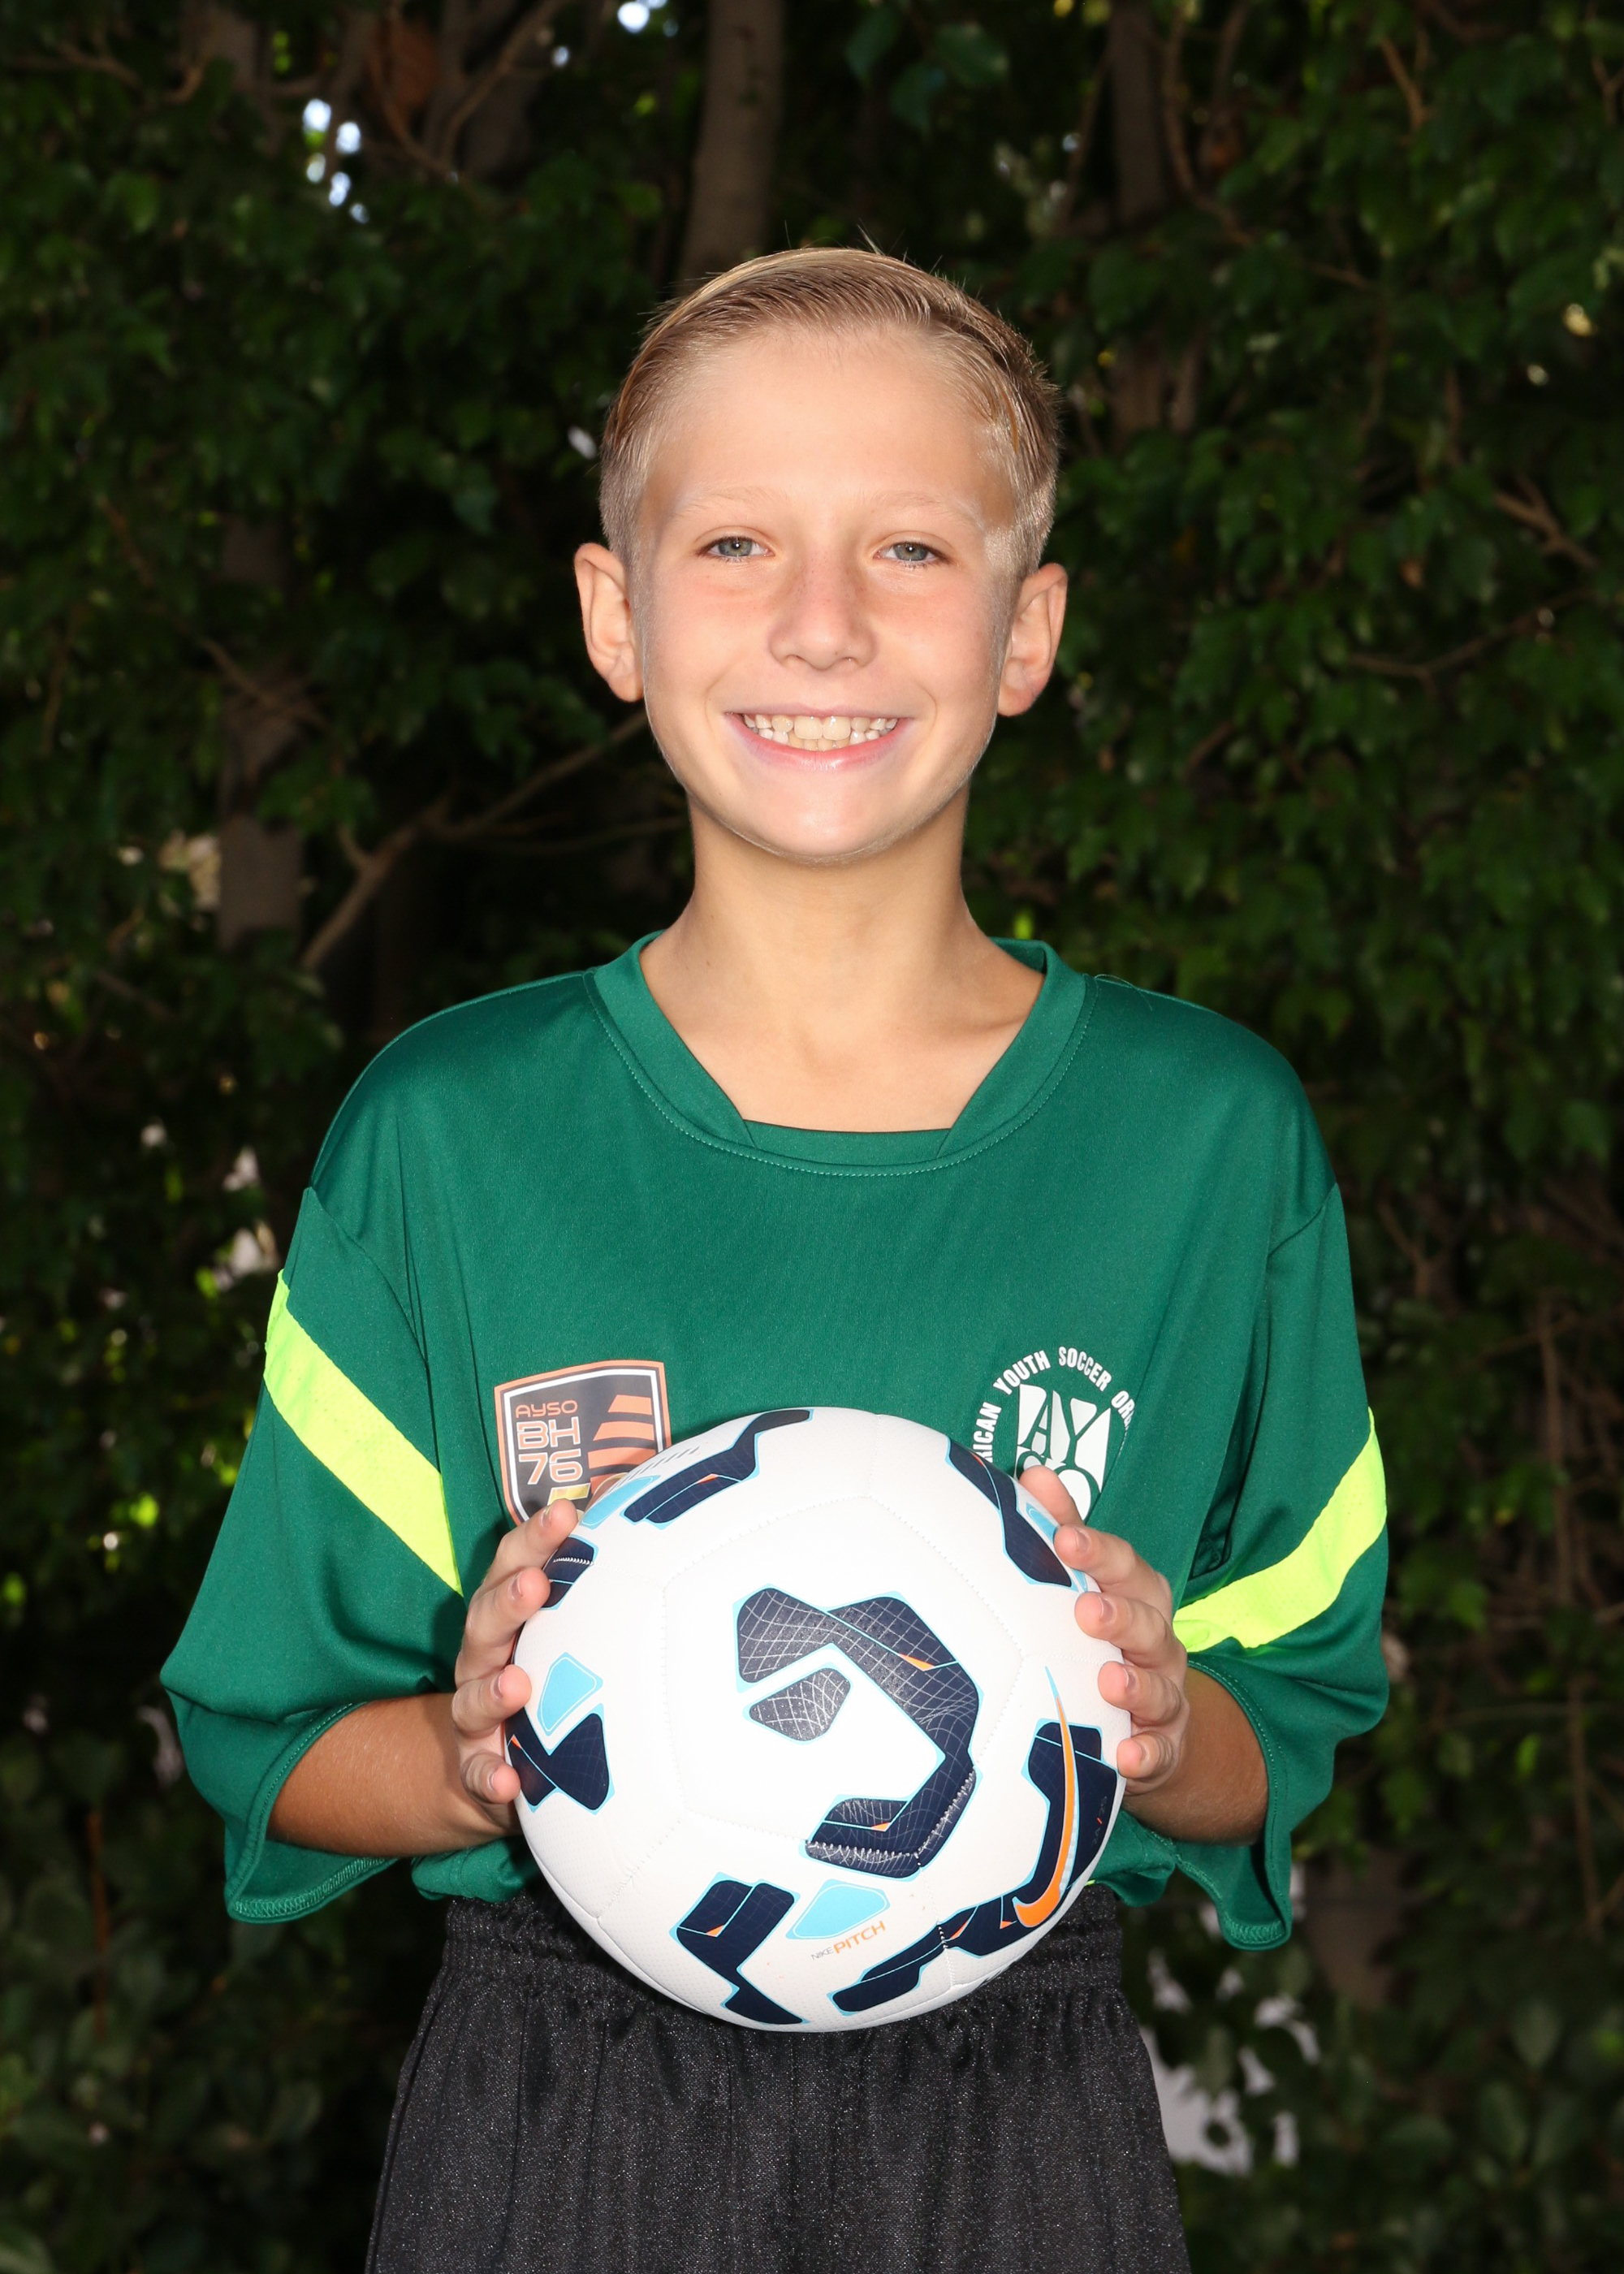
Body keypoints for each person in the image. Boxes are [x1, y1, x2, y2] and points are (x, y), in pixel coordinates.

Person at [163, 249, 1388, 2274]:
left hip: (1015, 2122)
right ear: (614, 615)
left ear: (1026, 629)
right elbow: (270, 1736)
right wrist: (472, 1757)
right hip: (559, 2118)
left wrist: (1171, 1723)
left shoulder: (1207, 1141)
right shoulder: (451, 1133)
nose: (822, 620)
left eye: (910, 545)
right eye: (734, 541)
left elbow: (1297, 1705)